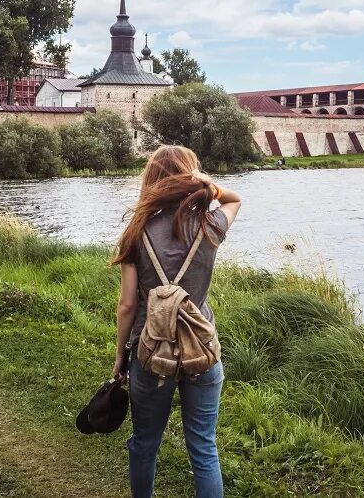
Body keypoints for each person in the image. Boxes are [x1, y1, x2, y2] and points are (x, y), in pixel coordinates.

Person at [111, 145, 242, 498]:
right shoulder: (209, 225)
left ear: (151, 180)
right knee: (203, 448)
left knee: (144, 443)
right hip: (201, 352)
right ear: (189, 178)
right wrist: (204, 185)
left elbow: (126, 306)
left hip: (150, 354)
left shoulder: (135, 233)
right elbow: (234, 199)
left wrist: (121, 356)